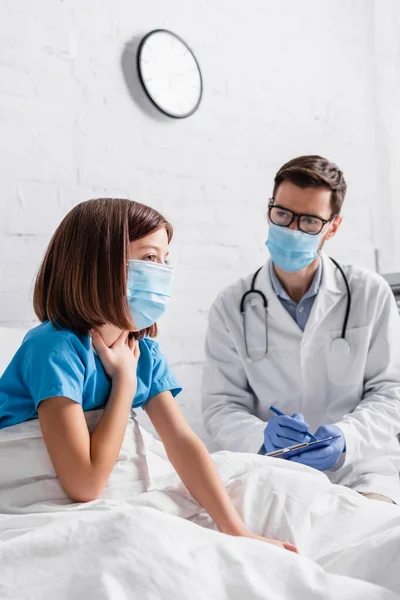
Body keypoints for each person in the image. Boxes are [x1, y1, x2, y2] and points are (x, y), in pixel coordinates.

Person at [0, 198, 297, 552]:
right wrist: (123, 384)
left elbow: (182, 443)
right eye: (150, 258)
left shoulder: (142, 351)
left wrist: (235, 528)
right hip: (32, 492)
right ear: (99, 265)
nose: (162, 273)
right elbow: (84, 485)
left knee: (268, 482)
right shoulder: (53, 348)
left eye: (165, 260)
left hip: (112, 483)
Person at [202, 155, 400, 504]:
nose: (292, 230)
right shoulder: (231, 305)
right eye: (282, 215)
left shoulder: (369, 292)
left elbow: (390, 393)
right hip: (271, 469)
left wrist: (346, 438)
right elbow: (221, 405)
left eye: (309, 221)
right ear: (270, 209)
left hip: (359, 470)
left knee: (369, 538)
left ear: (333, 226)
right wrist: (262, 436)